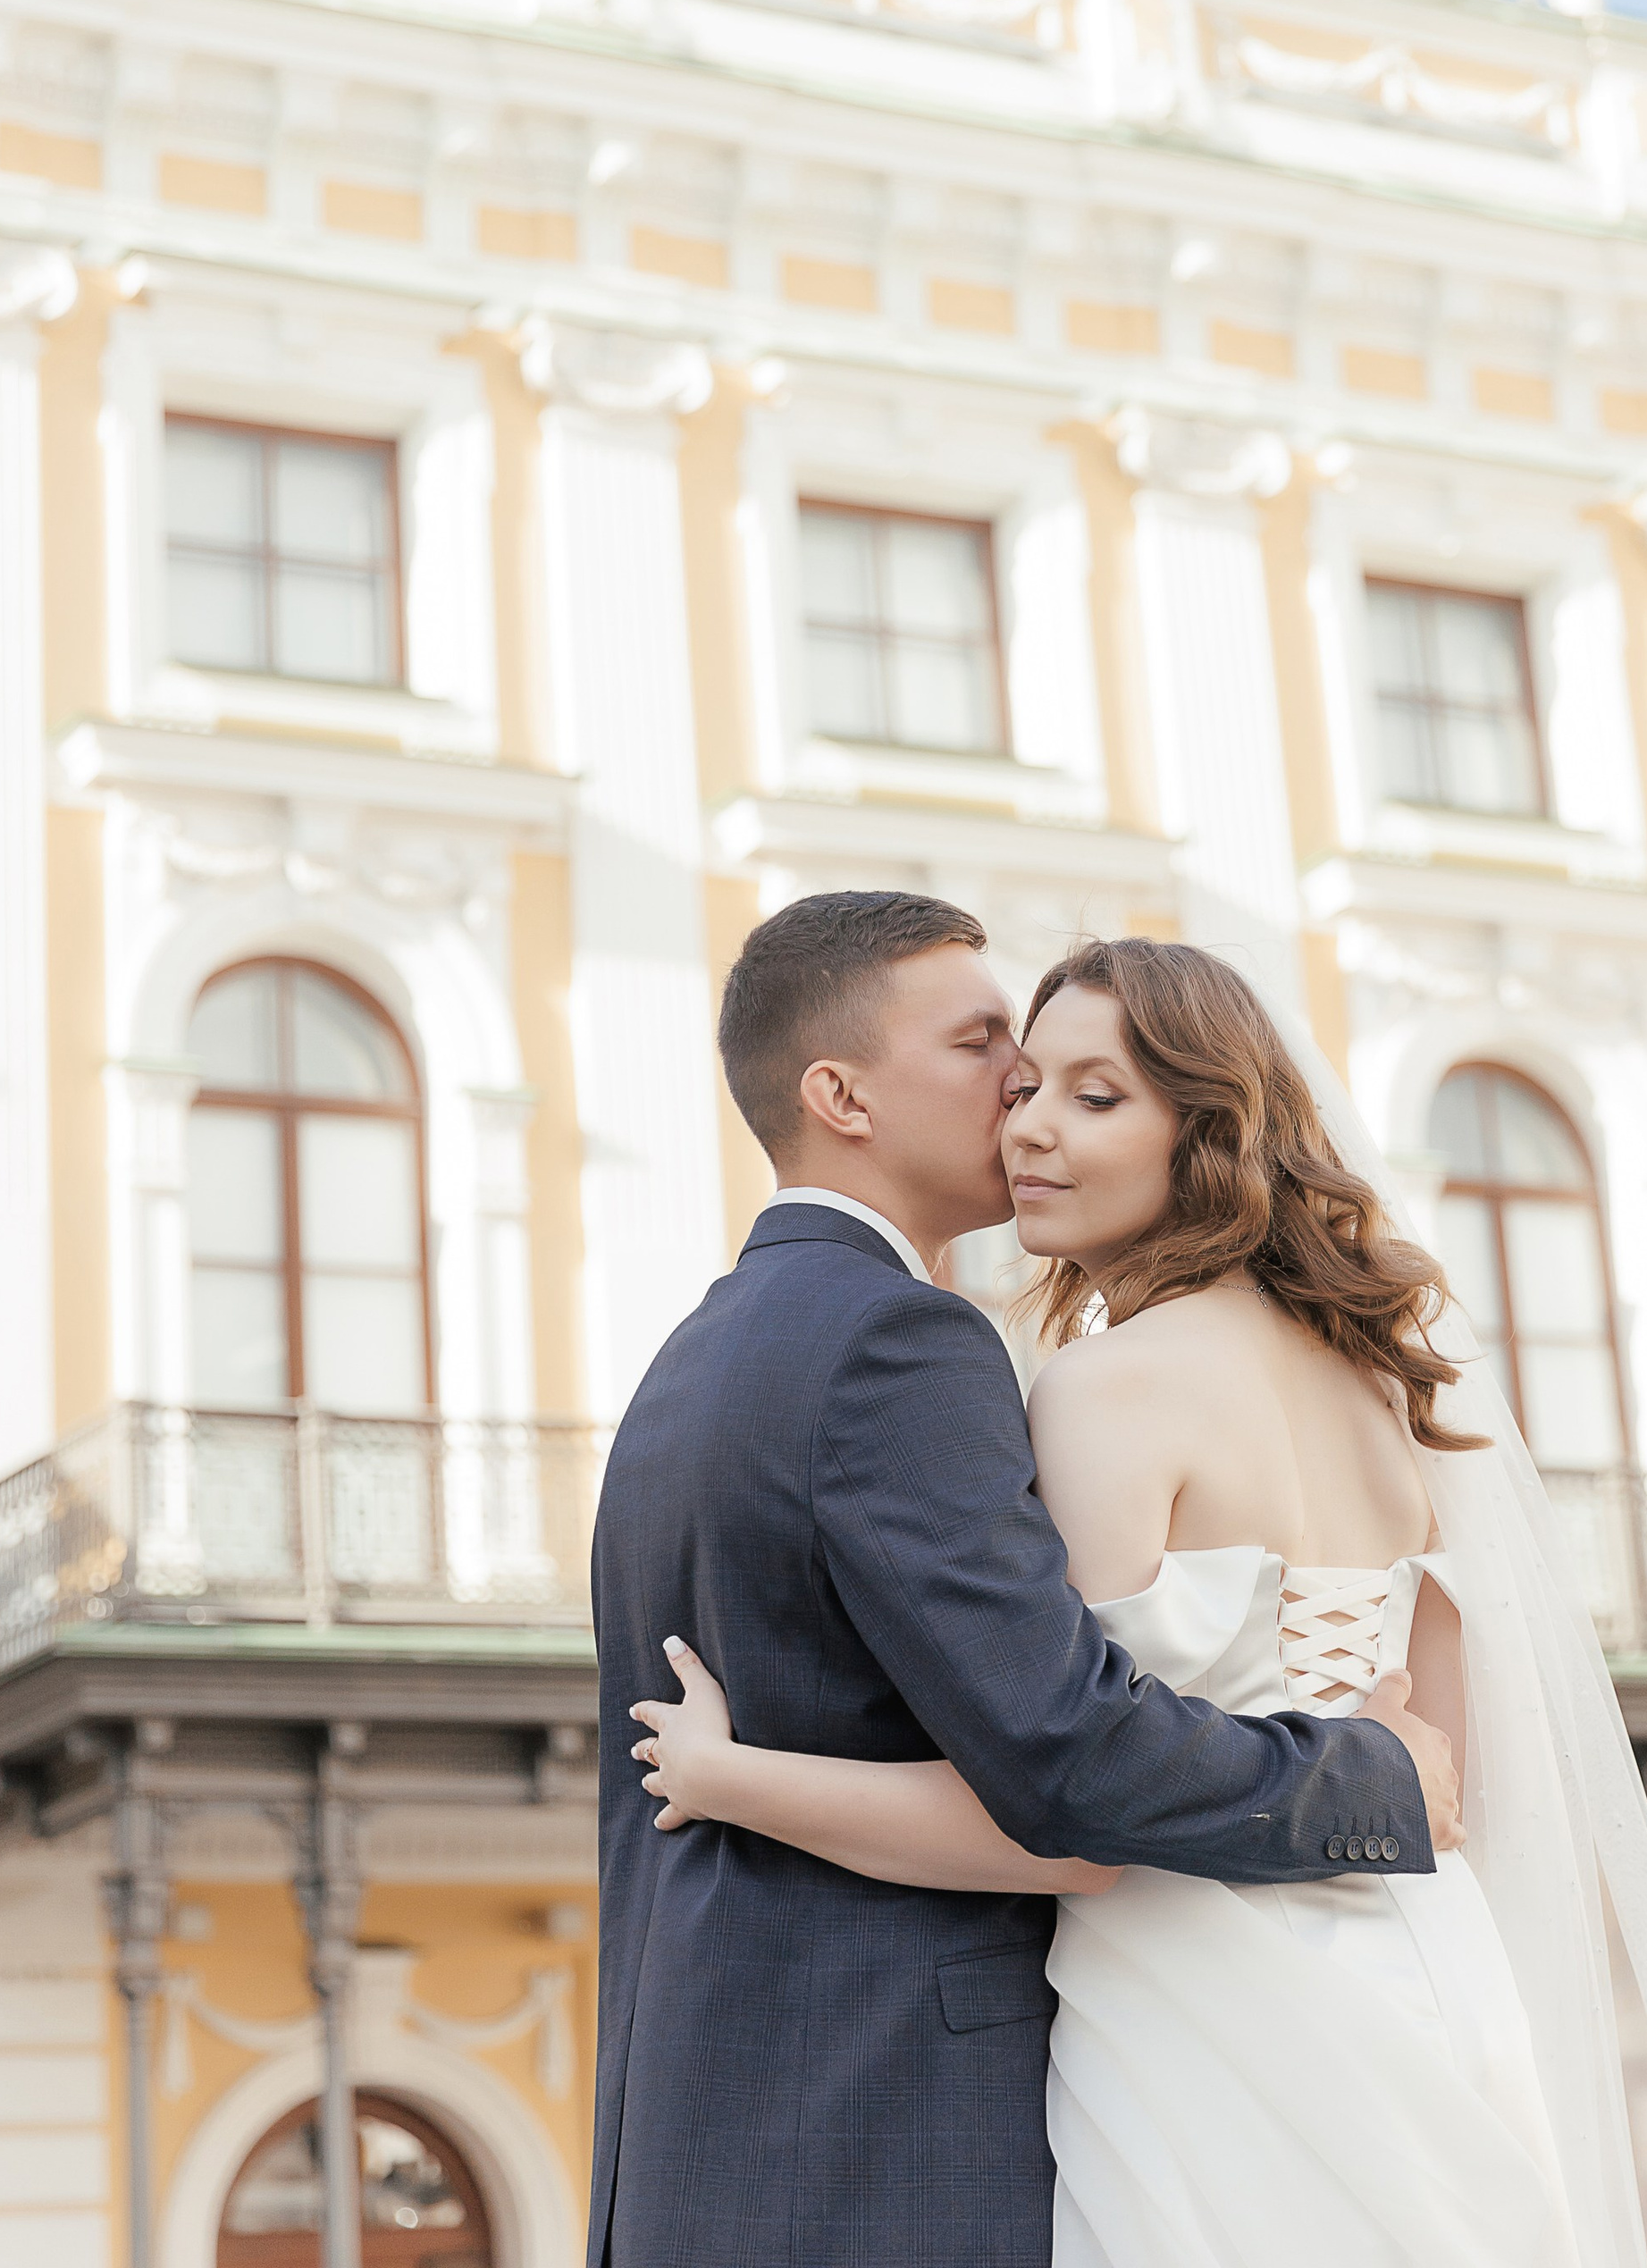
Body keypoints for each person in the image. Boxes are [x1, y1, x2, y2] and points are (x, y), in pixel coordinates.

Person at [634, 936, 1647, 2268]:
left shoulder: (1104, 1390)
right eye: (1025, 1090)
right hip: (1436, 1980)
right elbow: (1443, 1782)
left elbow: (1067, 1814)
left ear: (1211, 1131)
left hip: (1210, 2008)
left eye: (1096, 1098)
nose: (1033, 1131)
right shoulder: (1390, 1389)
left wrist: (731, 1777)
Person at [586, 895, 1462, 2268]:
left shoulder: (692, 1361)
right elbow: (1068, 1772)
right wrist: (1375, 1781)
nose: (1020, 1094)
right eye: (990, 1046)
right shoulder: (904, 1344)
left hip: (734, 2127)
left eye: (1078, 1085)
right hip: (898, 2136)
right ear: (842, 1095)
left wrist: (731, 1777)